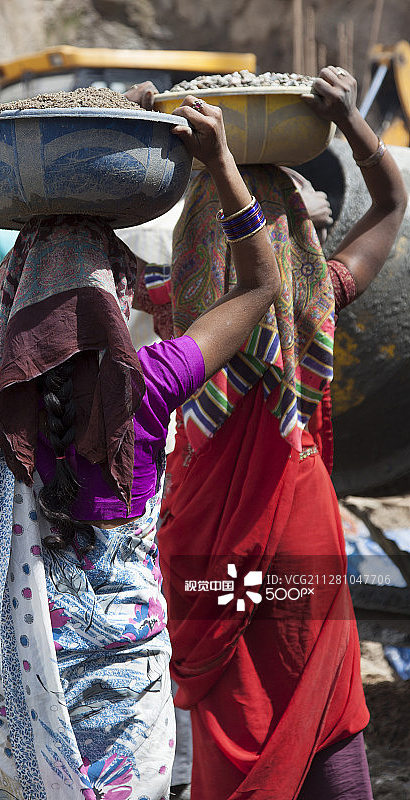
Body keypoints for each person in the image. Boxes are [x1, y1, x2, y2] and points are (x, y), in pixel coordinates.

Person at [0, 95, 280, 799]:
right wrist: (219, 161)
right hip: (127, 688)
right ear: (120, 295)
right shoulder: (151, 385)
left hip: (16, 688)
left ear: (10, 293)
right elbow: (261, 285)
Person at [150, 67, 407, 800]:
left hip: (206, 542)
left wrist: (143, 138)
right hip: (302, 530)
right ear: (299, 235)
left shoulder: (179, 331)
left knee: (236, 710)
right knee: (316, 695)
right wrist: (353, 121)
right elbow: (390, 202)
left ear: (194, 248)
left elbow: (80, 255)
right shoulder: (320, 293)